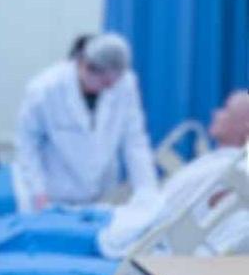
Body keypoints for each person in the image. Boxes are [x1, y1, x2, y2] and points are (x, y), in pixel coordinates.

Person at [12, 32, 158, 211]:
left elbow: (135, 141)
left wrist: (147, 193)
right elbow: (27, 145)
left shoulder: (125, 84)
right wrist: (38, 191)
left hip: (100, 193)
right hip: (52, 194)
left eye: (113, 81)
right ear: (84, 65)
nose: (109, 87)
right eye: (104, 82)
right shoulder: (45, 89)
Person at [98, 90, 249, 257]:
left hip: (147, 243)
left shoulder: (229, 172)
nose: (216, 113)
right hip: (136, 227)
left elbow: (166, 214)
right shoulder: (217, 163)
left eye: (226, 109)